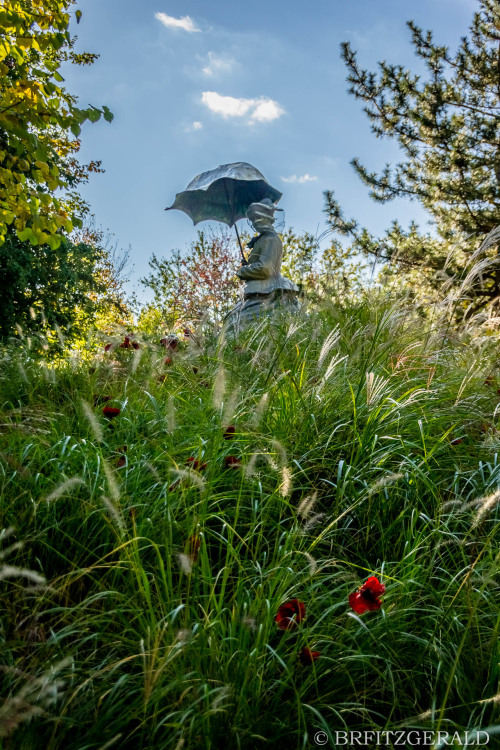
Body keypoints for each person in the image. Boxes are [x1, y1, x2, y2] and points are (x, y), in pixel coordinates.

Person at [223, 199, 301, 333]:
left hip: (267, 290)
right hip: (260, 290)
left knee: (237, 324)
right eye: (252, 219)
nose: (254, 222)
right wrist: (248, 265)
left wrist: (243, 271)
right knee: (233, 322)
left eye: (256, 218)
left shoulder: (269, 239)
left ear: (266, 218)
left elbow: (266, 269)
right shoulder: (264, 239)